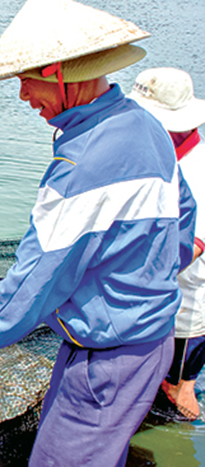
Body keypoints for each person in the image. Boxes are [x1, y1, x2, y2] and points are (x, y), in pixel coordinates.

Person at [0, 0, 196, 465]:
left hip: (106, 360)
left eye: (25, 79)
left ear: (59, 71)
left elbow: (36, 280)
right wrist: (138, 280)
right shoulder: (145, 126)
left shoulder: (85, 163)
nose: (22, 95)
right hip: (146, 343)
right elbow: (183, 221)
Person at [129, 67, 205, 421]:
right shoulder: (158, 155)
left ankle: (184, 392)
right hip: (157, 290)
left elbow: (193, 247)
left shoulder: (198, 171)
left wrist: (133, 274)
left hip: (189, 287)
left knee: (179, 382)